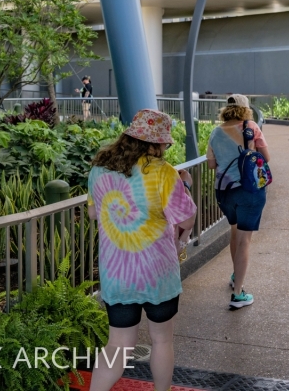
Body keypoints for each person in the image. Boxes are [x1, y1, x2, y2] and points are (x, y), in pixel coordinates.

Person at [86, 109, 197, 391]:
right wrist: (185, 185)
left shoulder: (99, 169)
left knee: (118, 345)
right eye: (165, 144)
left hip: (117, 274)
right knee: (161, 340)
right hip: (157, 273)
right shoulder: (163, 172)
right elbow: (185, 219)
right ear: (156, 143)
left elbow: (93, 213)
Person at [207, 98, 272, 309]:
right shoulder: (251, 127)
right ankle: (237, 294)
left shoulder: (216, 132)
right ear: (245, 109)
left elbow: (211, 164)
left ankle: (236, 275)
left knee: (234, 232)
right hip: (249, 190)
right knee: (245, 240)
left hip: (224, 192)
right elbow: (267, 157)